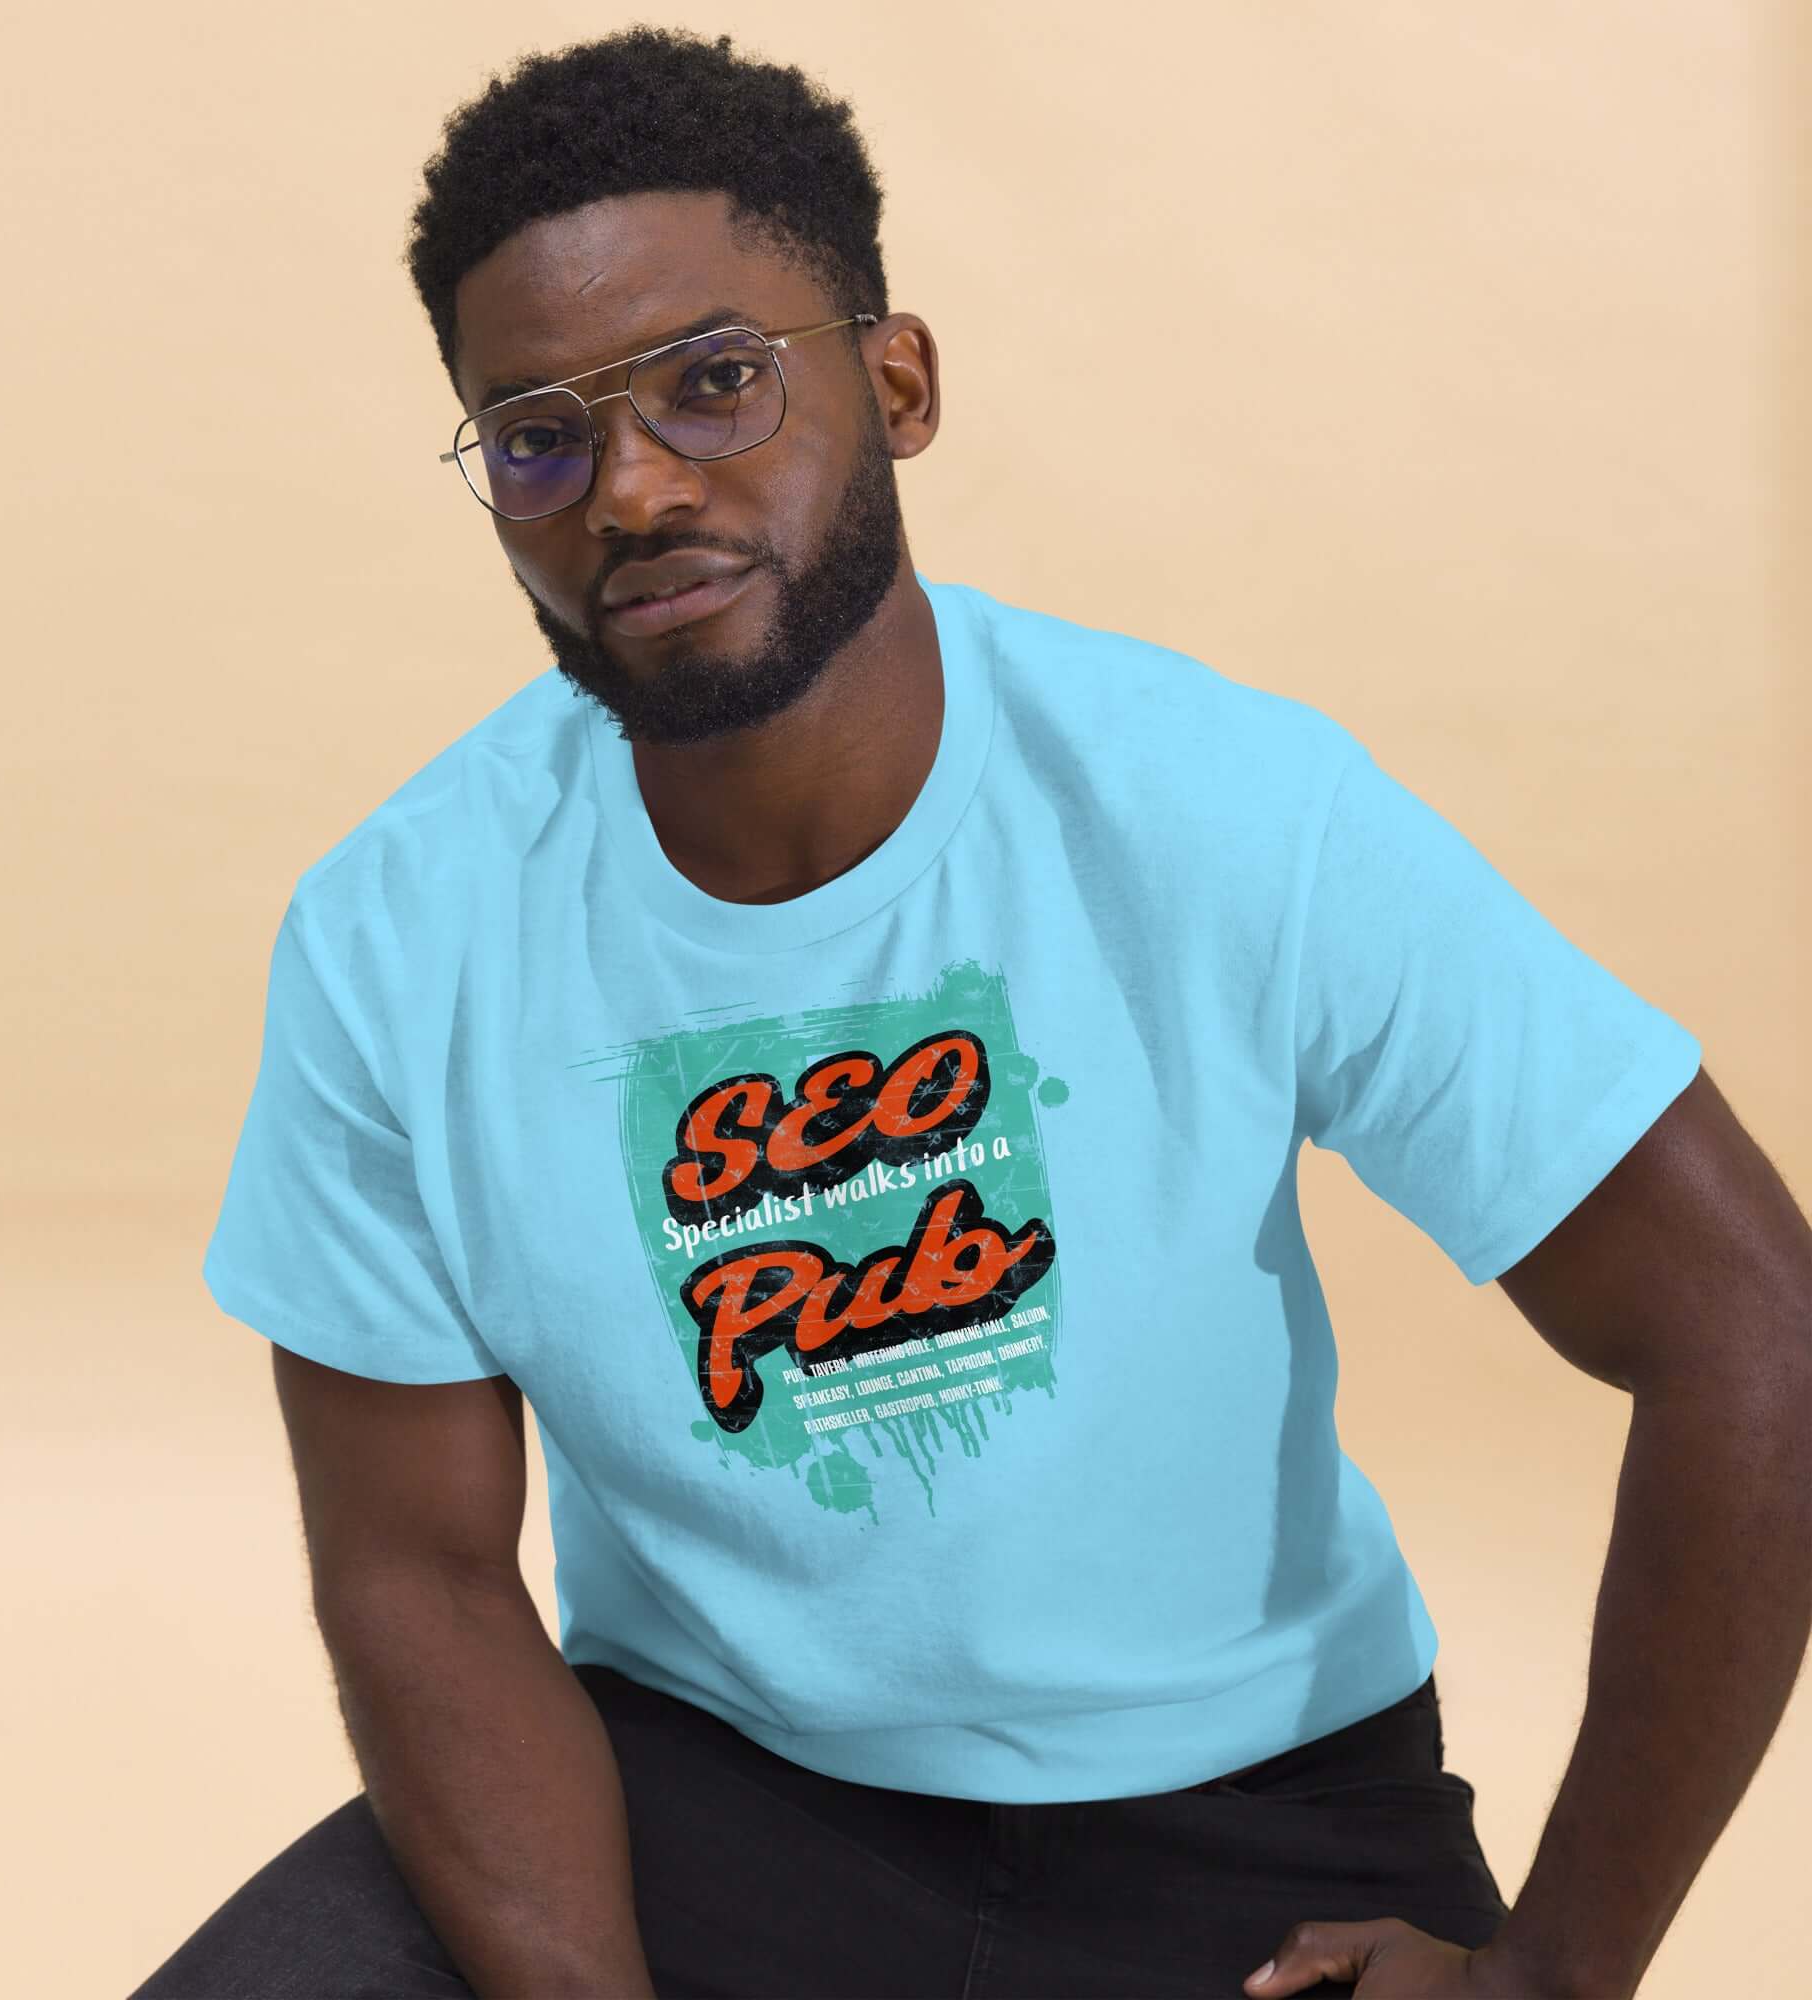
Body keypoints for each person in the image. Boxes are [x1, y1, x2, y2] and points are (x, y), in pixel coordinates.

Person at [132, 26, 1812, 2000]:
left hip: (1244, 1824)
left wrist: (1555, 1973)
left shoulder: (1223, 807)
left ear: (897, 381)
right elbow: (414, 1566)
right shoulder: (395, 933)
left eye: (714, 382)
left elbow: (1750, 1327)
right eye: (537, 438)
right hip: (702, 1796)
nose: (633, 488)